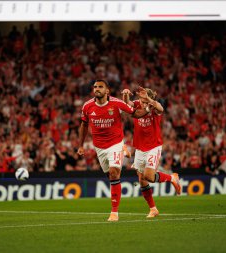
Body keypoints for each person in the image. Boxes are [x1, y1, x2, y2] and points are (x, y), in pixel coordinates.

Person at [77, 80, 149, 222]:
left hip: (115, 144)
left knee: (114, 172)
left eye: (100, 87)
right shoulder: (87, 106)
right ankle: (123, 155)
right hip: (99, 147)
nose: (97, 89)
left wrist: (147, 110)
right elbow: (84, 125)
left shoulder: (117, 103)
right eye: (95, 87)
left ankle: (114, 213)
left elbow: (135, 113)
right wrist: (80, 145)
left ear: (107, 90)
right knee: (111, 177)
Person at [122, 87, 181, 218]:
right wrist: (126, 95)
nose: (141, 102)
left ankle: (172, 178)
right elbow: (127, 104)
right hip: (139, 147)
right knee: (142, 179)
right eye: (140, 99)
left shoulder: (154, 108)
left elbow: (161, 108)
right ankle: (153, 209)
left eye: (144, 100)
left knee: (149, 176)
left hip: (153, 146)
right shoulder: (138, 104)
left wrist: (148, 100)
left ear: (149, 99)